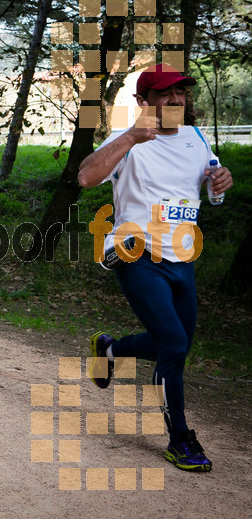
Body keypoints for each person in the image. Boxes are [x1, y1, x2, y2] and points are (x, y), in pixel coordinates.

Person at [78, 63, 233, 473]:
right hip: (137, 255)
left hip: (183, 259)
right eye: (166, 94)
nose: (177, 100)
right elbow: (86, 177)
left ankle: (108, 349)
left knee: (176, 344)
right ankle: (180, 439)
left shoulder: (197, 137)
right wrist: (129, 136)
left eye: (181, 93)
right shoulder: (128, 140)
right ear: (143, 102)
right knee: (174, 347)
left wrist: (218, 183)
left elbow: (208, 180)